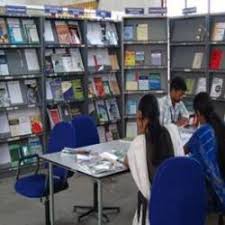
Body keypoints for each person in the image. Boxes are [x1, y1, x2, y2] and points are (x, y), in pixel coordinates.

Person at [124, 94, 184, 225]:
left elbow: (126, 162)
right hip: (177, 198)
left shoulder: (139, 143)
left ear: (141, 117)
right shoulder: (172, 130)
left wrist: (140, 133)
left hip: (154, 205)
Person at [184, 92, 225, 207]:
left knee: (185, 173)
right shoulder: (220, 126)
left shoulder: (202, 132)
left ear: (197, 113)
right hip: (222, 185)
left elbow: (182, 150)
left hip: (215, 194)